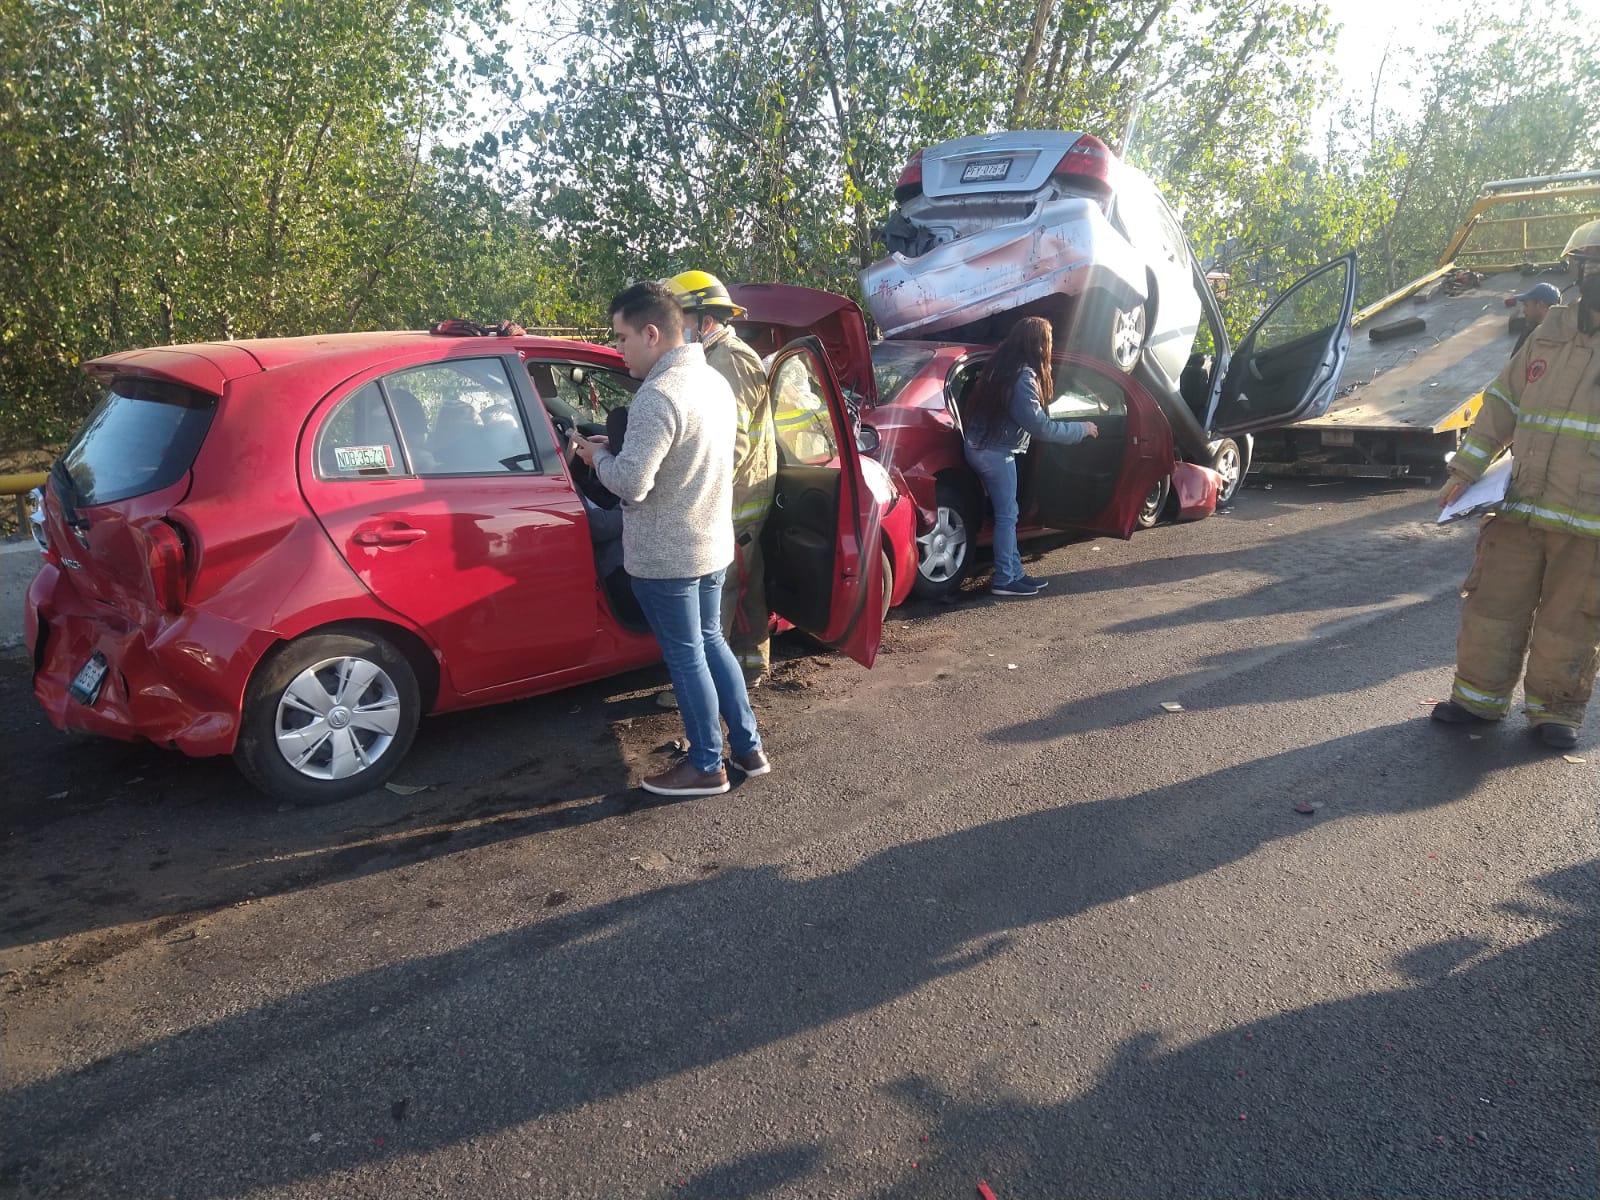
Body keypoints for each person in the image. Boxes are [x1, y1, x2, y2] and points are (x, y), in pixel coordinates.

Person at [571, 281, 769, 796]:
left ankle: (706, 766)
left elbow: (630, 484)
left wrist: (596, 458)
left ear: (652, 333)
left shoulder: (658, 395)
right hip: (709, 543)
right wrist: (617, 446)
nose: (617, 349)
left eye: (621, 338)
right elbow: (684, 455)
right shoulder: (710, 381)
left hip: (668, 554)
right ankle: (747, 747)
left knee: (686, 658)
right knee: (711, 642)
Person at [1431, 219, 1600, 751]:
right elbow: (1503, 401)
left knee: (1569, 623)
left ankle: (1555, 713)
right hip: (1520, 503)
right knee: (1492, 605)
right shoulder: (1549, 330)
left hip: (1591, 522)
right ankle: (1477, 700)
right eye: (1590, 265)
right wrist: (1465, 470)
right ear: (1575, 271)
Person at [665, 270, 778, 687]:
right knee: (743, 582)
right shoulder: (710, 358)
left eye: (679, 319)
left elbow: (735, 440)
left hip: (738, 494)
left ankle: (710, 683)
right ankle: (748, 667)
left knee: (729, 584)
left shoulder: (730, 360)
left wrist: (697, 487)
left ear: (703, 320)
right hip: (727, 493)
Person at [959, 316, 1099, 597]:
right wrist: (1082, 429)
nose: (1050, 346)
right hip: (995, 453)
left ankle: (1015, 573)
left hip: (981, 446)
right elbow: (1040, 427)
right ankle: (1005, 579)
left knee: (1007, 515)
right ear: (1038, 344)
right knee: (1007, 516)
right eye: (1048, 340)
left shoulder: (1001, 368)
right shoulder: (1022, 378)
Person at [1510, 281, 1562, 355]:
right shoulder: (1529, 331)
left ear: (1540, 305)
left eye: (1526, 305)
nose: (1523, 310)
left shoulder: (1554, 341)